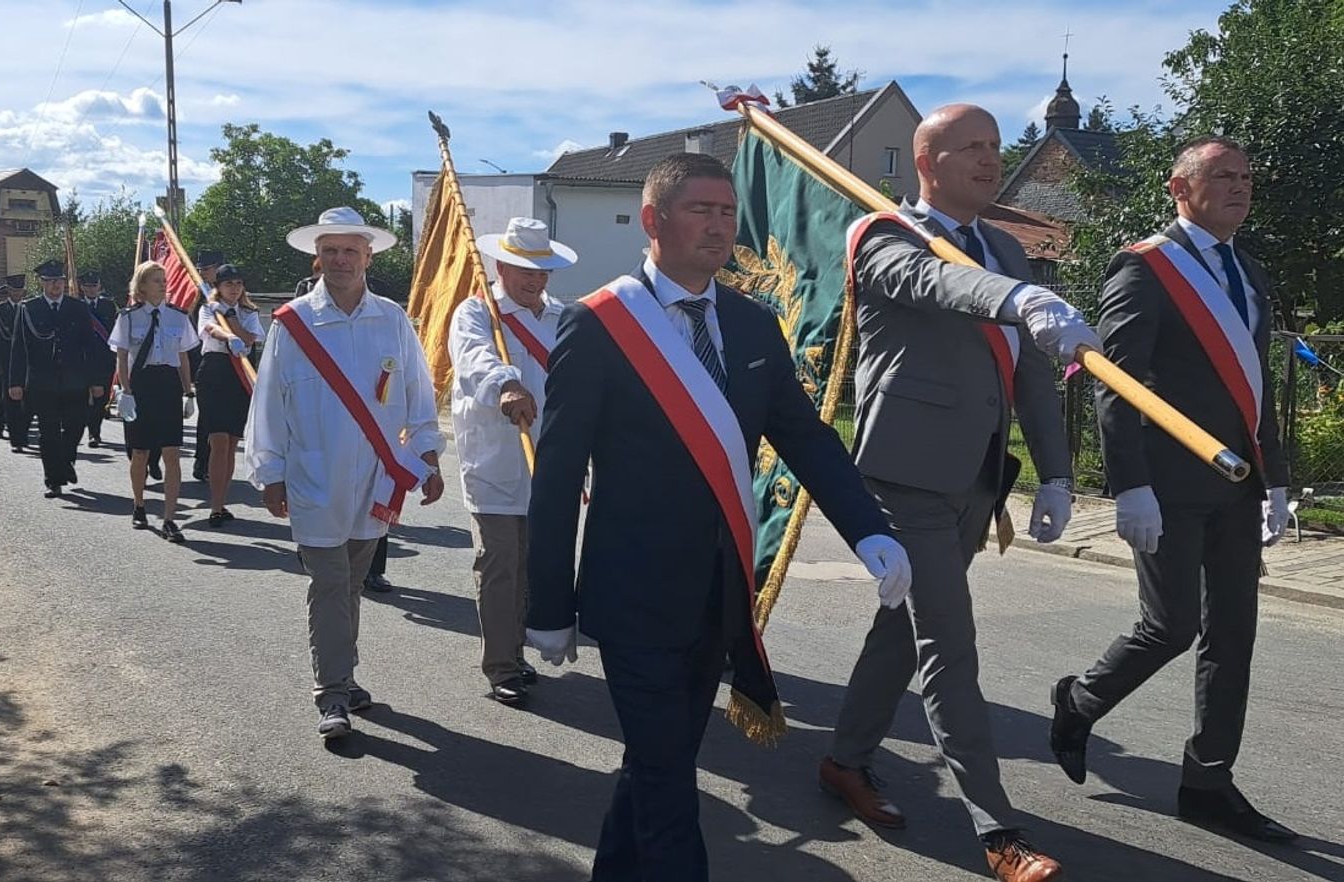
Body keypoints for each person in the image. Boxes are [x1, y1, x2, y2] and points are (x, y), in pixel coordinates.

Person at [525, 153, 911, 881]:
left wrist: (869, 528)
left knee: (660, 760)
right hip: (634, 597)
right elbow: (558, 474)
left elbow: (805, 438)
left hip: (720, 591)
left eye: (727, 212)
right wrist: (547, 605)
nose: (719, 225)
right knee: (668, 777)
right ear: (653, 219)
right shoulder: (598, 324)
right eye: (700, 210)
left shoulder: (753, 323)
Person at [820, 104, 1100, 882]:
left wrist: (1056, 472)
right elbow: (937, 283)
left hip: (975, 479)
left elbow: (1031, 368)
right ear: (926, 161)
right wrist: (1018, 298)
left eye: (995, 146)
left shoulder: (1003, 246)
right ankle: (997, 830)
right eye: (970, 146)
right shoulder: (884, 236)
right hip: (903, 477)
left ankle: (844, 759)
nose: (989, 158)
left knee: (902, 632)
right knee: (949, 643)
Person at [1049, 137, 1296, 843]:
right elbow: (1116, 385)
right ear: (1180, 188)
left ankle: (1208, 782)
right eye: (1223, 176)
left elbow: (1256, 387)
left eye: (1246, 176)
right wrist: (1130, 486)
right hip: (1167, 484)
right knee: (1171, 627)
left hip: (1237, 485)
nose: (1240, 187)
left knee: (1234, 635)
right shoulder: (1145, 267)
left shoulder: (1248, 270)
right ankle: (1080, 701)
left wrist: (1277, 480)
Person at [246, 206, 444, 740]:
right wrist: (269, 471)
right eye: (330, 251)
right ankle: (332, 693)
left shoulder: (392, 319)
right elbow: (269, 402)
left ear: (368, 256)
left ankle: (343, 674)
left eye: (350, 250)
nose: (340, 260)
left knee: (352, 584)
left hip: (375, 479)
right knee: (330, 583)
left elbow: (418, 392)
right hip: (314, 477)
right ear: (317, 258)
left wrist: (428, 455)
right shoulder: (293, 323)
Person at [449, 217, 576, 705]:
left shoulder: (563, 317)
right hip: (496, 461)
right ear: (501, 266)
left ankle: (519, 648)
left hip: (550, 461)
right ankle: (501, 663)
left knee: (534, 564)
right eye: (525, 269)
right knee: (501, 563)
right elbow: (474, 358)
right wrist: (505, 382)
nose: (535, 279)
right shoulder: (477, 312)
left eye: (542, 271)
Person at [110, 261, 200, 540]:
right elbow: (122, 358)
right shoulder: (128, 317)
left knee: (172, 452)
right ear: (142, 286)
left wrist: (188, 392)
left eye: (164, 280)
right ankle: (139, 505)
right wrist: (126, 391)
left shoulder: (178, 316)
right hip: (141, 385)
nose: (163, 284)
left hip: (168, 385)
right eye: (156, 280)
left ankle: (170, 518)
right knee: (140, 452)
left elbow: (183, 357)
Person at [8, 259, 105, 498]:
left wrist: (96, 380)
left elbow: (90, 346)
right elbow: (19, 347)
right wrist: (16, 382)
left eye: (59, 281)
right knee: (49, 432)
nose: (56, 285)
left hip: (75, 381)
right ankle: (53, 479)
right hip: (43, 383)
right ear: (42, 283)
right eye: (51, 281)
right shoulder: (29, 309)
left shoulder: (77, 307)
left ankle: (66, 460)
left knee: (75, 426)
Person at [196, 264, 262, 526]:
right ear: (218, 287)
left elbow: (249, 339)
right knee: (219, 441)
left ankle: (222, 502)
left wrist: (232, 318)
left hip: (239, 376)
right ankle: (215, 505)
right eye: (228, 284)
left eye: (238, 283)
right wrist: (226, 331)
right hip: (214, 372)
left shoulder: (249, 312)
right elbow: (211, 330)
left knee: (232, 444)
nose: (234, 288)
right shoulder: (208, 308)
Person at [189, 248, 225, 483]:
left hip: (229, 362)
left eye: (206, 269)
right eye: (200, 269)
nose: (202, 272)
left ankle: (216, 460)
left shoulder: (232, 292)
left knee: (222, 417)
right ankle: (202, 460)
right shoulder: (198, 296)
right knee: (207, 415)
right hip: (205, 359)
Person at [0, 277, 30, 447]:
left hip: (29, 361)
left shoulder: (30, 308)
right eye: (14, 290)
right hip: (7, 360)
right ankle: (16, 439)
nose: (17, 294)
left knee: (29, 401)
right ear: (8, 291)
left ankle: (23, 432)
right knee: (11, 399)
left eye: (20, 290)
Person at [77, 270, 119, 448]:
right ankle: (88, 429)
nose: (91, 289)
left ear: (99, 287)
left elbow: (115, 331)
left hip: (104, 359)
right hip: (83, 359)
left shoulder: (108, 306)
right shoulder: (76, 306)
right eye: (87, 286)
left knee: (101, 398)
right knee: (84, 397)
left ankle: (95, 431)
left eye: (94, 286)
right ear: (82, 288)